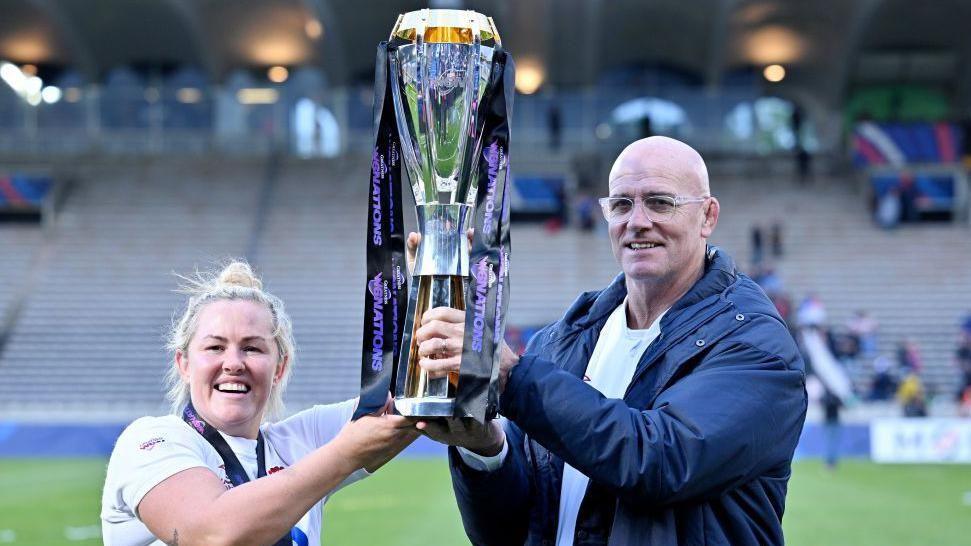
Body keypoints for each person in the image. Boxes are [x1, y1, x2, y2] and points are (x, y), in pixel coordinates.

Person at [410, 137, 807, 545]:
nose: (637, 221)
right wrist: (487, 451)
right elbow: (511, 533)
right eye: (620, 204)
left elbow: (661, 462)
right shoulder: (565, 339)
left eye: (659, 202)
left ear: (707, 216)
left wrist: (511, 377)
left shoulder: (753, 341)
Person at [101, 262, 418, 545]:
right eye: (215, 347)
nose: (233, 363)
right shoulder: (151, 442)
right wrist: (343, 453)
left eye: (252, 348)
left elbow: (410, 398)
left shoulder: (298, 443)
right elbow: (210, 536)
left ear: (279, 367)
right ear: (184, 364)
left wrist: (422, 298)